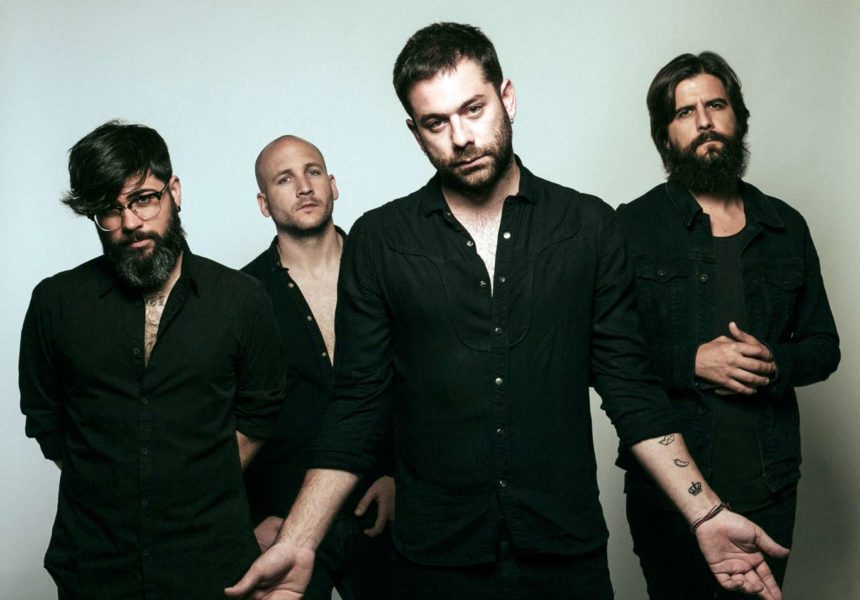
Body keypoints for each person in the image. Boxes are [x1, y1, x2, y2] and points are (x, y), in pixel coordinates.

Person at [227, 24, 789, 600]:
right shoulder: (379, 240)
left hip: (565, 552)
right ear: (414, 131)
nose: (461, 138)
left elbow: (632, 391)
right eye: (436, 123)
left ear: (507, 98)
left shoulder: (588, 226)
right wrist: (299, 541)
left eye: (474, 109)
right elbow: (356, 407)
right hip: (434, 560)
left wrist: (705, 512)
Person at [19, 121, 285, 599]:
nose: (130, 223)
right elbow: (44, 416)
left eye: (144, 199)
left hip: (210, 565)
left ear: (174, 192)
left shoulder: (242, 299)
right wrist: (111, 480)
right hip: (94, 566)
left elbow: (260, 411)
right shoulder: (55, 303)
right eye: (109, 209)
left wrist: (194, 481)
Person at [616, 52, 840, 599]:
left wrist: (775, 363)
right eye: (684, 112)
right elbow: (609, 356)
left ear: (737, 118)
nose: (704, 122)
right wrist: (691, 361)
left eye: (715, 105)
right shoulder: (631, 227)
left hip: (770, 485)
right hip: (671, 495)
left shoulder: (785, 226)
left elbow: (824, 347)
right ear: (665, 136)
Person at [242, 134, 393, 599]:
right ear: (264, 204)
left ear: (333, 184)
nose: (304, 187)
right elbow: (223, 418)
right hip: (284, 520)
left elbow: (426, 384)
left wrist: (400, 477)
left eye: (312, 172)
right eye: (284, 179)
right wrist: (249, 520)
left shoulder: (387, 273)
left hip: (383, 512)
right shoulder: (242, 296)